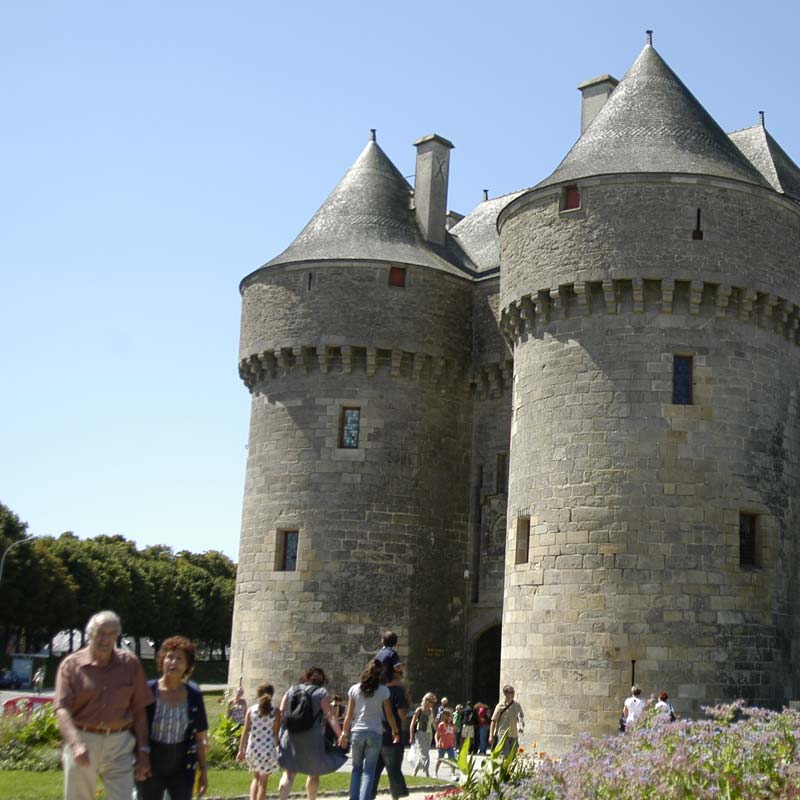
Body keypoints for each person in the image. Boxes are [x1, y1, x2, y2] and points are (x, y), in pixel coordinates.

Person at [54, 610, 153, 800]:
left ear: (117, 636)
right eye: (100, 633)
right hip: (84, 739)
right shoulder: (71, 665)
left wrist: (143, 750)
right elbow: (62, 709)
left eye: (111, 633)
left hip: (120, 743)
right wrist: (76, 744)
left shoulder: (130, 664)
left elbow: (140, 709)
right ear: (90, 634)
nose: (105, 639)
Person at [136, 636, 209, 800]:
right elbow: (138, 729)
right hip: (152, 761)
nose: (173, 663)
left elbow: (199, 738)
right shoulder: (149, 690)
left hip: (182, 764)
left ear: (187, 665)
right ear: (162, 660)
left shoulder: (194, 695)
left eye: (179, 659)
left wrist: (203, 771)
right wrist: (141, 759)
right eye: (169, 657)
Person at [278, 666, 346, 800]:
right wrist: (340, 735)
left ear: (306, 677)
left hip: (289, 734)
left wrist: (277, 735)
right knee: (314, 773)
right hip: (311, 736)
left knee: (289, 773)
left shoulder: (291, 690)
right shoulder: (321, 693)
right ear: (322, 681)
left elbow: (281, 712)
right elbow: (330, 716)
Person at [339, 660, 400, 800]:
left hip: (357, 732)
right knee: (369, 770)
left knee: (356, 768)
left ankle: (354, 798)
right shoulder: (383, 691)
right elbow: (389, 715)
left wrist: (344, 734)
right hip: (375, 732)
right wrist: (395, 731)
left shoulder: (354, 689)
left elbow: (348, 716)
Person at [369, 662, 410, 800]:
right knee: (394, 772)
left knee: (372, 772)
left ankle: (368, 796)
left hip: (374, 734)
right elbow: (402, 714)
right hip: (391, 737)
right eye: (400, 673)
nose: (401, 675)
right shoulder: (397, 691)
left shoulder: (374, 690)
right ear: (394, 675)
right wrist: (406, 694)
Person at [238, 683, 281, 800]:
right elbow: (276, 734)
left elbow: (245, 731)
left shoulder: (251, 710)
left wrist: (240, 750)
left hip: (253, 749)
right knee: (263, 783)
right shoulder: (276, 712)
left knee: (256, 779)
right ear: (272, 695)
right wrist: (278, 749)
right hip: (267, 749)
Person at [488, 686, 524, 758]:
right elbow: (493, 721)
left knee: (512, 757)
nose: (513, 694)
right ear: (505, 693)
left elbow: (520, 718)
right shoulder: (500, 706)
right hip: (503, 735)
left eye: (513, 692)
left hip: (514, 735)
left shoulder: (517, 705)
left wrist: (521, 726)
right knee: (504, 756)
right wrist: (491, 735)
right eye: (511, 692)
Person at [409, 692, 436, 777]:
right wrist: (411, 736)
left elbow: (433, 723)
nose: (432, 704)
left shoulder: (431, 711)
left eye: (433, 702)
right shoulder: (419, 710)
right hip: (420, 733)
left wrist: (439, 732)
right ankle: (427, 773)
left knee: (423, 753)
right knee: (424, 754)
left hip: (429, 734)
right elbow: (412, 724)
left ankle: (415, 772)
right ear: (426, 701)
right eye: (431, 702)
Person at [434, 708, 457, 780]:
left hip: (450, 745)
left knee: (452, 760)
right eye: (449, 716)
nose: (451, 717)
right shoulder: (442, 725)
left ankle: (453, 774)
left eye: (451, 716)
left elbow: (453, 735)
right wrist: (437, 742)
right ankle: (435, 773)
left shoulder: (453, 726)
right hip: (442, 745)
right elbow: (437, 734)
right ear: (446, 717)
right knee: (440, 759)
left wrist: (454, 742)